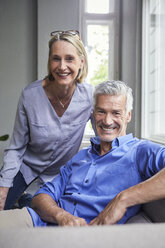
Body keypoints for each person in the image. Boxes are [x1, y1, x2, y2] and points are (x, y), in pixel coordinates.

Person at [0, 80, 165, 228]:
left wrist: (123, 199)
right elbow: (41, 196)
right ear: (93, 114)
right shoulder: (80, 157)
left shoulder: (140, 151)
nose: (107, 121)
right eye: (101, 112)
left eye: (116, 113)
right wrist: (61, 216)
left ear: (128, 115)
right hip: (38, 221)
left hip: (82, 236)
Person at [0, 30, 94, 211]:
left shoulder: (89, 97)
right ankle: (22, 197)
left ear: (81, 62)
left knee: (47, 214)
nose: (62, 66)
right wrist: (3, 188)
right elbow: (17, 147)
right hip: (26, 167)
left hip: (61, 173)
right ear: (49, 62)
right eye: (56, 58)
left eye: (69, 59)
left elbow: (102, 139)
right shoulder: (30, 95)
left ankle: (27, 200)